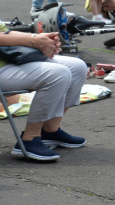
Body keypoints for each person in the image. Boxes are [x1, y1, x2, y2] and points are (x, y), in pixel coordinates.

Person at [0, 22, 88, 162]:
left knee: (77, 67)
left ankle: (50, 130)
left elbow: (4, 32)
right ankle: (30, 138)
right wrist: (34, 41)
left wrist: (42, 39)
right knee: (58, 73)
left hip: (8, 60)